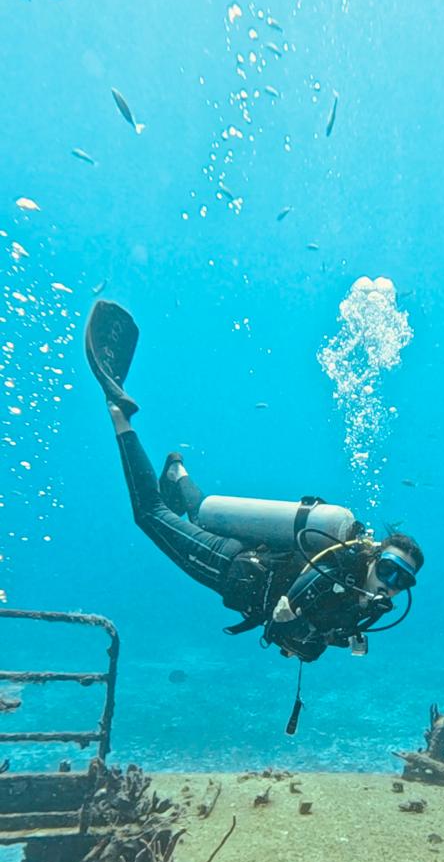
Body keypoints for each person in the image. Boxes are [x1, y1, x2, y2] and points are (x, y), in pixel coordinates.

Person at [85, 301, 423, 725]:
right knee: (150, 514)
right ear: (375, 555)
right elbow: (294, 608)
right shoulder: (343, 561)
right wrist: (298, 620)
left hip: (247, 562)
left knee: (202, 514)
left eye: (402, 580)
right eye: (391, 569)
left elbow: (312, 638)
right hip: (231, 567)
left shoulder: (368, 604)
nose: (392, 585)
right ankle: (120, 415)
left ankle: (177, 472)